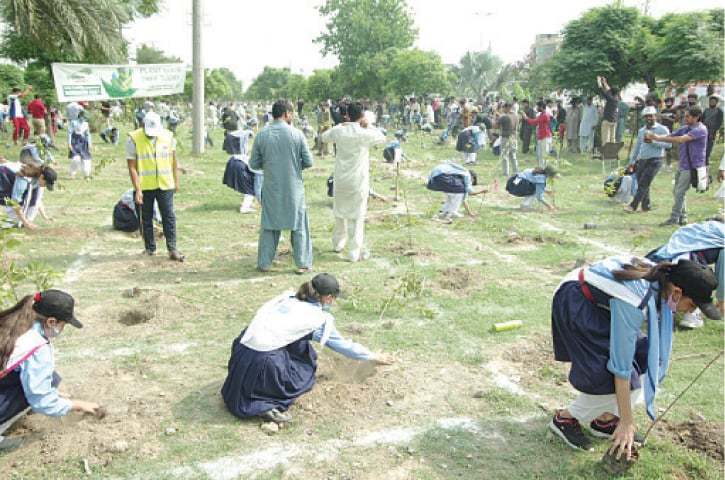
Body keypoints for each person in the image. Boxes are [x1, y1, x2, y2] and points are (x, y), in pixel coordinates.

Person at [549, 256, 719, 457]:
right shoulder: (635, 299)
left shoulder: (662, 280)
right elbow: (620, 368)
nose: (692, 311)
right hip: (575, 299)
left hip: (600, 303)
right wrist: (627, 422)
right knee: (607, 376)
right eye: (692, 305)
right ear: (677, 292)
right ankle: (565, 419)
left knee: (647, 357)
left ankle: (604, 419)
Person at [221, 274, 393, 423]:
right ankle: (264, 404)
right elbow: (342, 345)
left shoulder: (287, 298)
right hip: (262, 361)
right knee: (302, 375)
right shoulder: (316, 319)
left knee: (300, 345)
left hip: (241, 352)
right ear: (328, 298)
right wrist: (372, 356)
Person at [0, 291, 102, 451]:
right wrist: (77, 405)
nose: (62, 329)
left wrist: (53, 390)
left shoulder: (13, 322)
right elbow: (41, 401)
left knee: (51, 379)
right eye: (63, 325)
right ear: (51, 322)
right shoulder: (35, 345)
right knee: (33, 392)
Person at [250, 100, 314, 274]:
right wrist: (292, 167)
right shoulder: (297, 134)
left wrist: (271, 165)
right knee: (299, 225)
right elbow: (308, 161)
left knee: (269, 226)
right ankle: (302, 264)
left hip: (271, 187)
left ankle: (264, 263)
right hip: (294, 188)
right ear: (287, 114)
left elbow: (254, 164)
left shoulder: (262, 135)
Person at [320, 102, 385, 262]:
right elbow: (382, 138)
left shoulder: (340, 130)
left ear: (347, 115)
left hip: (341, 179)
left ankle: (337, 244)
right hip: (358, 181)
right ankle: (353, 253)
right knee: (357, 217)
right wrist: (368, 125)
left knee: (339, 213)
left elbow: (323, 137)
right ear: (362, 116)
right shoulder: (364, 132)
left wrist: (340, 125)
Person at [126, 111, 184, 262]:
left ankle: (172, 249)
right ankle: (150, 248)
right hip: (145, 185)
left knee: (169, 216)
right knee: (146, 218)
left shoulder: (168, 136)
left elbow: (174, 161)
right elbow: (132, 167)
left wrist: (176, 181)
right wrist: (138, 189)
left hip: (165, 184)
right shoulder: (133, 139)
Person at [646, 220, 724, 328]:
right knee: (698, 282)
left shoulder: (704, 227)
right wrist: (722, 298)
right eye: (692, 306)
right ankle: (690, 316)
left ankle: (661, 311)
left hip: (669, 254)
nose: (690, 308)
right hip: (688, 262)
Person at [646, 107, 708, 227]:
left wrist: (657, 137)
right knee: (677, 191)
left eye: (688, 116)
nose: (685, 118)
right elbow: (671, 136)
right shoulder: (685, 128)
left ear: (696, 117)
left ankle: (674, 219)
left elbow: (680, 139)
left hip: (692, 167)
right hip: (683, 164)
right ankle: (682, 218)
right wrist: (654, 138)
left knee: (679, 192)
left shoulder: (701, 130)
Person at [624, 106, 670, 213]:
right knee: (642, 183)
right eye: (646, 117)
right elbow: (638, 147)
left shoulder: (662, 129)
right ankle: (646, 206)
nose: (649, 119)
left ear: (655, 116)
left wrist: (654, 142)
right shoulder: (642, 131)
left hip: (656, 160)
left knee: (644, 183)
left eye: (651, 116)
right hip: (642, 160)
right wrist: (632, 161)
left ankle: (633, 206)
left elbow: (669, 145)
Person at [0, 147, 56, 229]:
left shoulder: (36, 176)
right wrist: (26, 222)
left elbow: (37, 199)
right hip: (2, 176)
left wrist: (45, 216)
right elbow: (15, 201)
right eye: (46, 184)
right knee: (16, 214)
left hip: (6, 178)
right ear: (42, 177)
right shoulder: (25, 177)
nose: (44, 186)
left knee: (18, 216)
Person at [222, 120, 261, 214]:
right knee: (250, 188)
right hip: (239, 165)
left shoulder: (242, 141)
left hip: (233, 162)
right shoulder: (244, 134)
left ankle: (247, 204)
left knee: (247, 186)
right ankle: (244, 208)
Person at [522, 101, 553, 168]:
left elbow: (535, 122)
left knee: (544, 154)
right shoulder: (542, 114)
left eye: (538, 106)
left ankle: (544, 168)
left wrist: (526, 118)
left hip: (545, 137)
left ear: (541, 107)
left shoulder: (544, 115)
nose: (537, 108)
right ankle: (541, 168)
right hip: (542, 137)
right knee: (540, 154)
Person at [68, 111, 93, 180]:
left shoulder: (86, 124)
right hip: (75, 142)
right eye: (83, 117)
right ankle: (72, 174)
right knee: (76, 159)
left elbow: (88, 135)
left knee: (86, 159)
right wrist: (69, 143)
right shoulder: (73, 122)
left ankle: (86, 174)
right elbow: (69, 133)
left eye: (85, 118)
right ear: (80, 116)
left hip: (84, 143)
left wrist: (90, 144)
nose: (84, 119)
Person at [496, 103, 518, 176]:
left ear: (506, 108)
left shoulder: (503, 116)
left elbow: (496, 125)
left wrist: (496, 116)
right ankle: (515, 171)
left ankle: (505, 172)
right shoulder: (515, 115)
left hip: (505, 137)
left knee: (504, 155)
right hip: (513, 137)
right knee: (513, 155)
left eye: (503, 108)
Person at [597, 76, 619, 145]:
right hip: (614, 120)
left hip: (607, 120)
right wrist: (605, 82)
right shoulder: (616, 98)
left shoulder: (610, 98)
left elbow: (602, 90)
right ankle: (612, 153)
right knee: (612, 138)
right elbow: (609, 90)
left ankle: (605, 153)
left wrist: (599, 81)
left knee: (605, 138)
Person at [703, 95, 723, 166]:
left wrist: (713, 130)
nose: (712, 103)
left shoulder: (719, 111)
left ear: (716, 102)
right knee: (702, 147)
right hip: (704, 131)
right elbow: (702, 120)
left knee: (708, 149)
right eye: (711, 101)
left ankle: (706, 163)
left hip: (712, 132)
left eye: (713, 102)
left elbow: (719, 123)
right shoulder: (706, 110)